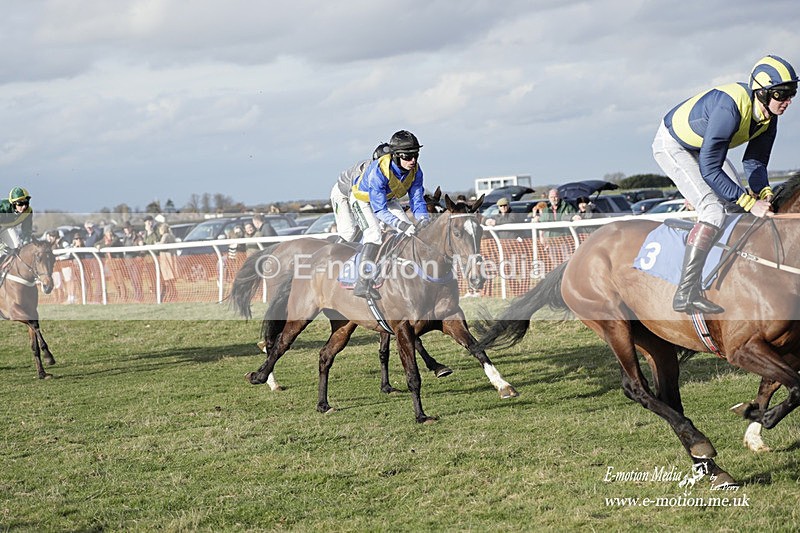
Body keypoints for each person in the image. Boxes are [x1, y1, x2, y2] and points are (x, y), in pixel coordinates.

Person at [653, 55, 797, 314]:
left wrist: (763, 192)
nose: (788, 101)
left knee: (739, 207)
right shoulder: (729, 109)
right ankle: (685, 292)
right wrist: (749, 203)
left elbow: (755, 161)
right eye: (781, 94)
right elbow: (709, 169)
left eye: (792, 93)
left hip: (703, 147)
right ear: (762, 93)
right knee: (713, 211)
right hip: (674, 146)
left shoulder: (770, 117)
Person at [350, 130, 430, 299]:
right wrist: (402, 224)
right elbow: (379, 210)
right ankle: (362, 282)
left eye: (415, 155)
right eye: (408, 156)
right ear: (395, 156)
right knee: (374, 234)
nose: (413, 160)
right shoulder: (379, 171)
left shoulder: (416, 171)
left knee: (410, 232)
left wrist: (424, 219)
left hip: (387, 199)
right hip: (363, 200)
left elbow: (417, 200)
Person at [331, 142, 391, 242]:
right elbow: (356, 198)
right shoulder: (366, 171)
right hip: (343, 194)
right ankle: (336, 251)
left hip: (358, 194)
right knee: (348, 232)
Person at [0, 187, 34, 265]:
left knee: (16, 248)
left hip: (6, 228)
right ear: (13, 203)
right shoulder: (2, 208)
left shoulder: (28, 211)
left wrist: (26, 242)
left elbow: (27, 230)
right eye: (20, 204)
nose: (24, 206)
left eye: (26, 203)